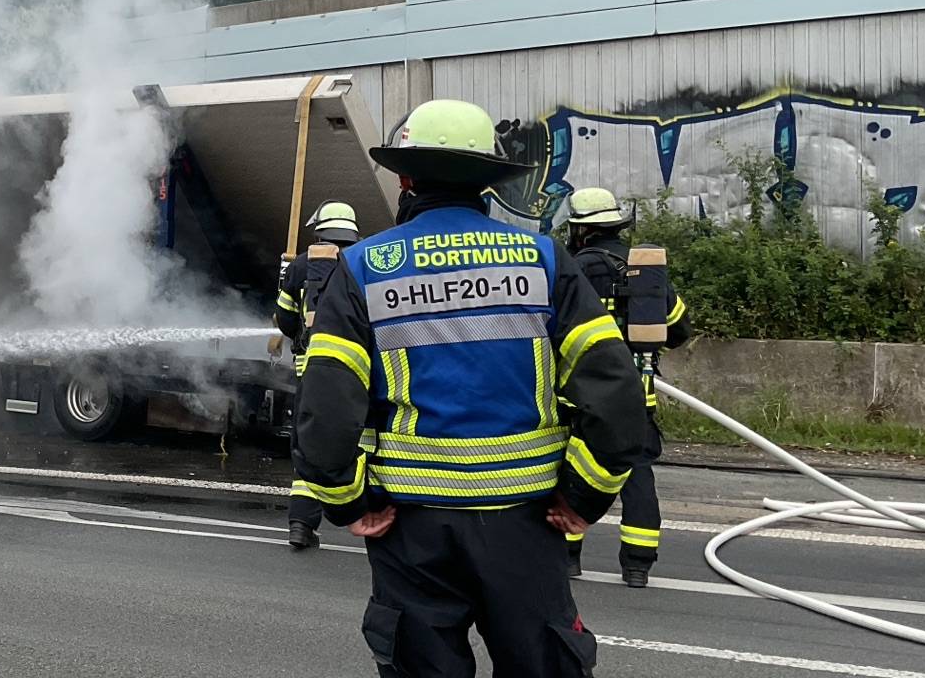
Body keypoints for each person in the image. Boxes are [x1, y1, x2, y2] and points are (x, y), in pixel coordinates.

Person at [292, 99, 649, 677]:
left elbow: (326, 407)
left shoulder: (361, 269)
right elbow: (615, 395)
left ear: (406, 178)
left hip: (409, 527)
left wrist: (344, 501)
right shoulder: (546, 262)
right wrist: (585, 497)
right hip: (527, 522)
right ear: (488, 180)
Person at [562, 187, 692, 588]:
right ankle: (637, 564)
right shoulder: (644, 275)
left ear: (580, 231)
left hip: (577, 398)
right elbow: (678, 331)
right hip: (637, 396)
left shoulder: (570, 269)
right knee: (637, 474)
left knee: (569, 472)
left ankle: (567, 557)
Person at [273, 199, 362, 550]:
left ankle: (301, 525)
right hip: (357, 376)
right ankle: (373, 519)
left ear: (321, 230)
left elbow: (285, 320)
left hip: (311, 373)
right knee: (365, 443)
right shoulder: (361, 262)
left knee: (310, 447)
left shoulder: (300, 266)